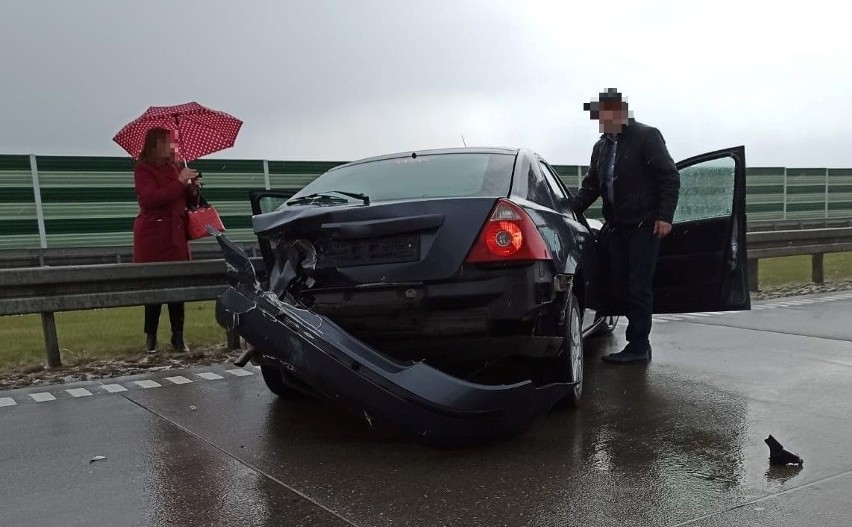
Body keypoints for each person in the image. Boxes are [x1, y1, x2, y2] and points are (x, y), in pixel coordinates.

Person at [570, 88, 680, 364]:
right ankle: (631, 338)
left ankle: (639, 345)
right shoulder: (602, 147)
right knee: (617, 282)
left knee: (638, 286)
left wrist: (665, 216)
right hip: (617, 228)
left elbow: (669, 177)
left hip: (644, 226)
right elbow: (592, 186)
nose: (602, 119)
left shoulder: (646, 137)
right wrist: (568, 211)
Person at [132, 127, 201, 353]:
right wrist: (180, 183)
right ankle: (150, 337)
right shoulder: (143, 169)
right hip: (153, 238)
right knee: (155, 288)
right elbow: (152, 199)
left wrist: (193, 190)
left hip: (176, 235)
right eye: (166, 143)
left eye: (172, 142)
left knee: (178, 287)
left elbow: (187, 202)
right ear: (154, 146)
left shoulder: (176, 167)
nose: (171, 147)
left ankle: (178, 336)